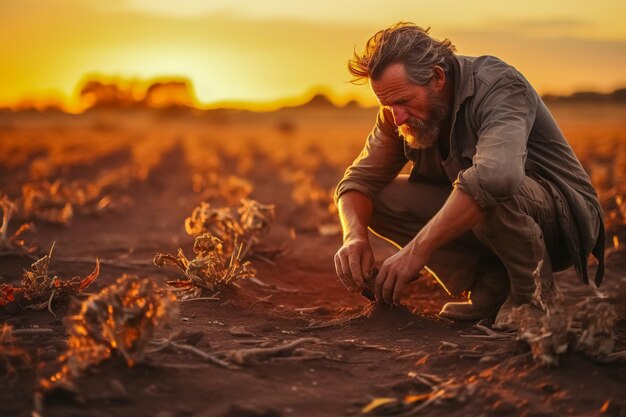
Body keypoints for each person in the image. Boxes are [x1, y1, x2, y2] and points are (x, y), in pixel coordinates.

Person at [333, 22, 605, 327]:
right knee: (377, 199)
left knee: (488, 184)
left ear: (436, 77)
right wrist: (353, 237)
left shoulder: (499, 85)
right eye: (386, 105)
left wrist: (415, 253)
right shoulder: (397, 113)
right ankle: (491, 287)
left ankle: (535, 299)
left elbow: (496, 178)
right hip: (495, 214)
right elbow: (356, 182)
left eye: (403, 101)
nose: (397, 116)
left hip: (562, 219)